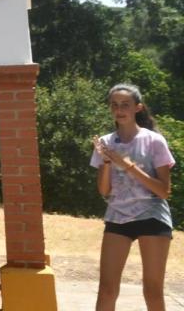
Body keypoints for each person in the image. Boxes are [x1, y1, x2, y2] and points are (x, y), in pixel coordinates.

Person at [91, 84, 175, 311]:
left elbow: (163, 191)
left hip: (152, 217)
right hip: (117, 217)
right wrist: (108, 162)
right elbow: (104, 191)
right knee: (107, 289)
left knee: (152, 290)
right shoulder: (106, 143)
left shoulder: (154, 141)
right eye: (114, 105)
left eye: (125, 105)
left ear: (137, 108)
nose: (119, 110)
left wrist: (127, 165)